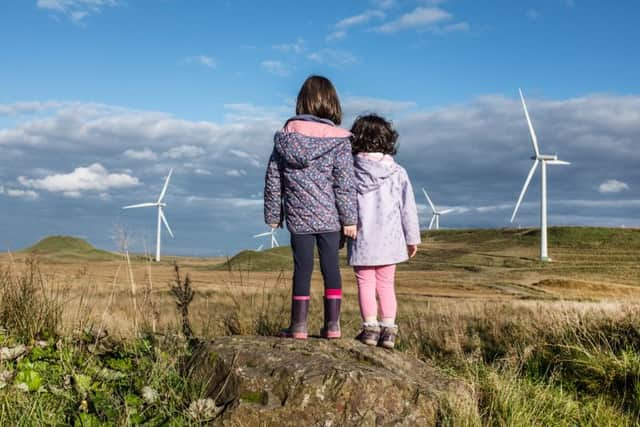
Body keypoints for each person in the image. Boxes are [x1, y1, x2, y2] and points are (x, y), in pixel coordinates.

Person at [263, 75, 357, 340]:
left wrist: (273, 214)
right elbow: (345, 184)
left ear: (301, 102)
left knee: (302, 269)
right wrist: (349, 219)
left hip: (298, 218)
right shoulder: (339, 141)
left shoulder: (284, 139)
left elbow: (273, 178)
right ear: (332, 103)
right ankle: (333, 325)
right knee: (332, 270)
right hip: (330, 219)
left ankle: (299, 326)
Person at [347, 114, 421, 349]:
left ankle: (370, 329)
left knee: (365, 283)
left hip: (363, 237)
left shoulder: (351, 170)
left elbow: (344, 202)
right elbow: (407, 207)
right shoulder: (398, 172)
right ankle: (388, 331)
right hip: (391, 239)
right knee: (386, 284)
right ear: (388, 139)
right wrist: (412, 238)